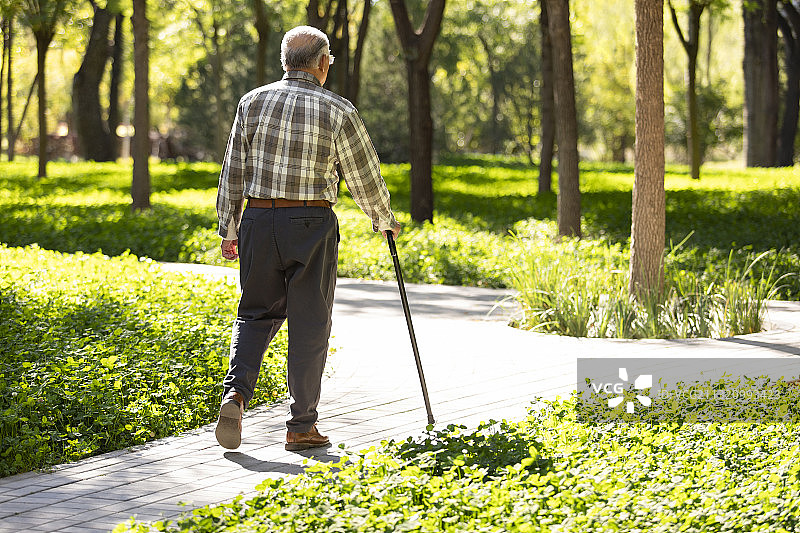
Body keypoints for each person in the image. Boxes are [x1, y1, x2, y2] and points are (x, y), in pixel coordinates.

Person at [214, 25, 401, 451]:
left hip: (259, 221)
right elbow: (363, 176)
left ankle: (236, 395)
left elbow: (233, 170)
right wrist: (383, 218)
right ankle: (300, 426)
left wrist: (230, 226)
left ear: (285, 62)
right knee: (310, 324)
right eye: (330, 59)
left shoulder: (252, 102)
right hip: (310, 224)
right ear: (321, 63)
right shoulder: (338, 110)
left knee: (255, 313)